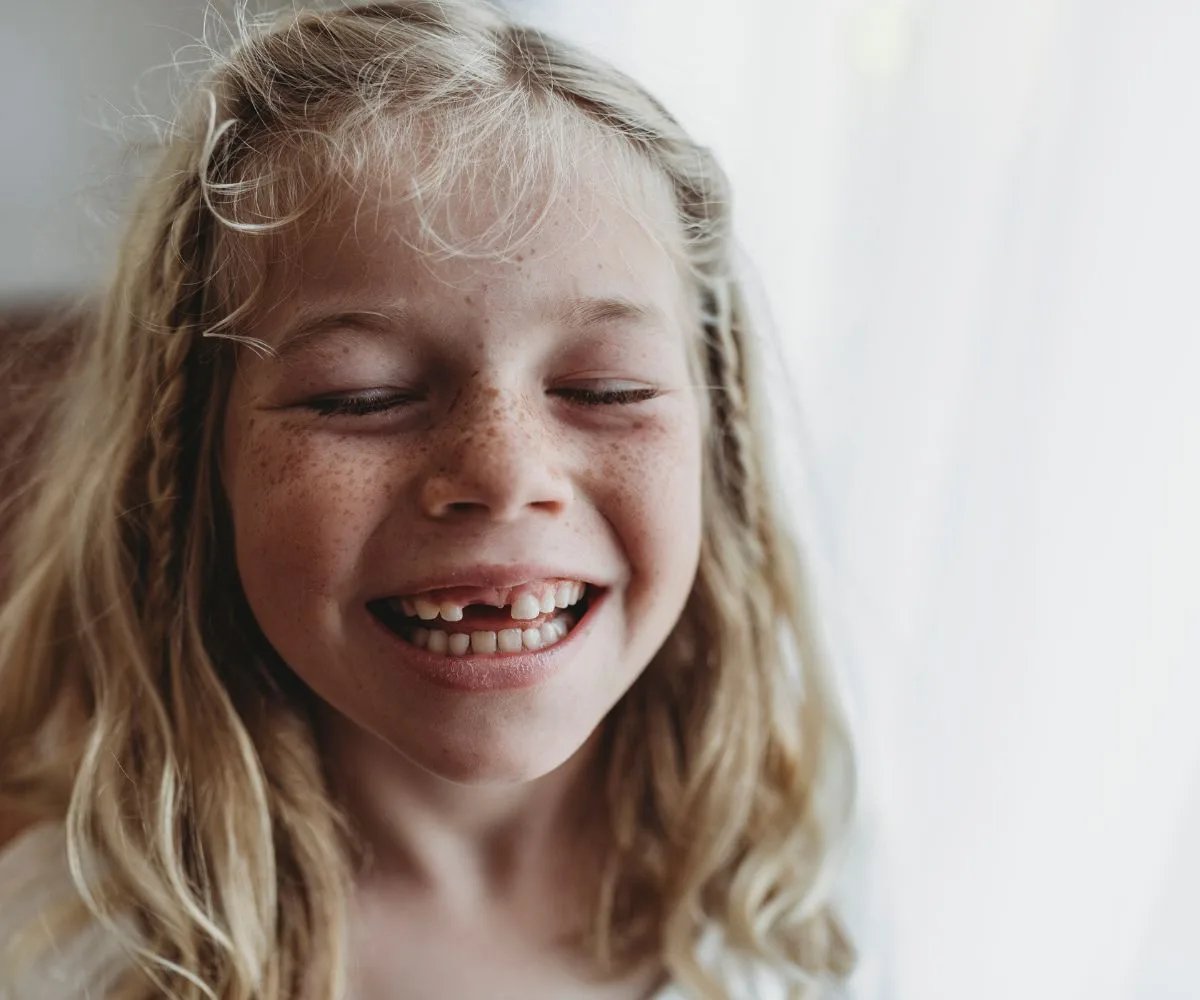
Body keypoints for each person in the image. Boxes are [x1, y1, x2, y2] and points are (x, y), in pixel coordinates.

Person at [0, 2, 856, 997]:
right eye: (363, 396)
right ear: (199, 461)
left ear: (721, 450)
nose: (504, 472)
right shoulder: (69, 956)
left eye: (606, 389)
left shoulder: (779, 893)